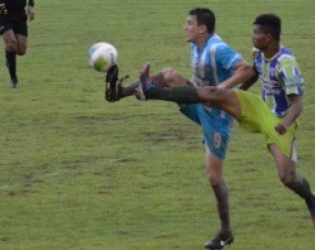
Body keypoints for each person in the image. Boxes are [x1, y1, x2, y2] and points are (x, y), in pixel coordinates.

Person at [135, 13, 315, 233]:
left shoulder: (287, 64)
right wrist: (238, 92)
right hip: (258, 109)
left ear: (269, 37)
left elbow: (298, 104)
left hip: (279, 121)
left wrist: (285, 124)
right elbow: (253, 72)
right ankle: (153, 91)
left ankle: (311, 200)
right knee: (214, 93)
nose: (252, 37)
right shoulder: (260, 53)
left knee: (287, 177)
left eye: (256, 34)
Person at [105, 7, 253, 250]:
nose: (185, 27)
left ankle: (226, 232)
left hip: (217, 117)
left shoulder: (218, 48)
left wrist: (221, 92)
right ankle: (120, 93)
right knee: (170, 75)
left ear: (202, 28)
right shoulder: (196, 46)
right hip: (199, 105)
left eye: (189, 23)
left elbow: (246, 69)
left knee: (214, 178)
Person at [0, 0, 35, 88]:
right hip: (2, 13)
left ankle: (9, 58)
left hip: (19, 13)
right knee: (11, 44)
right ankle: (14, 80)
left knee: (21, 50)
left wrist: (31, 6)